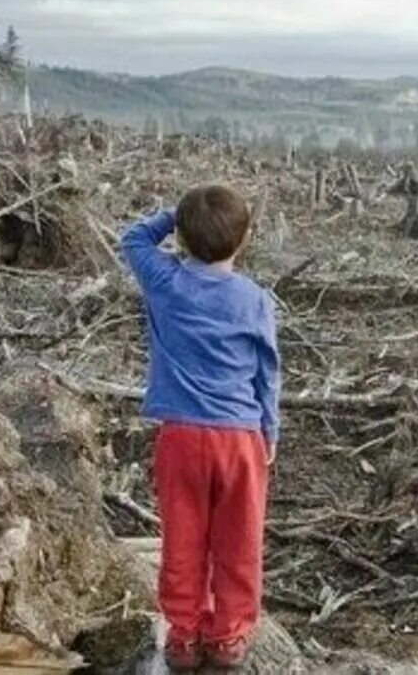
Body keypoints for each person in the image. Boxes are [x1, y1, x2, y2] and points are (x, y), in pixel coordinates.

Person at [121, 184, 281, 671]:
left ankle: (183, 637)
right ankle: (229, 637)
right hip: (240, 438)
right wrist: (269, 431)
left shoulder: (165, 281)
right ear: (246, 239)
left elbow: (132, 239)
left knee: (183, 540)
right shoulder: (254, 299)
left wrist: (178, 214)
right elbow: (266, 373)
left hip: (182, 437)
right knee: (240, 541)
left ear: (183, 240)